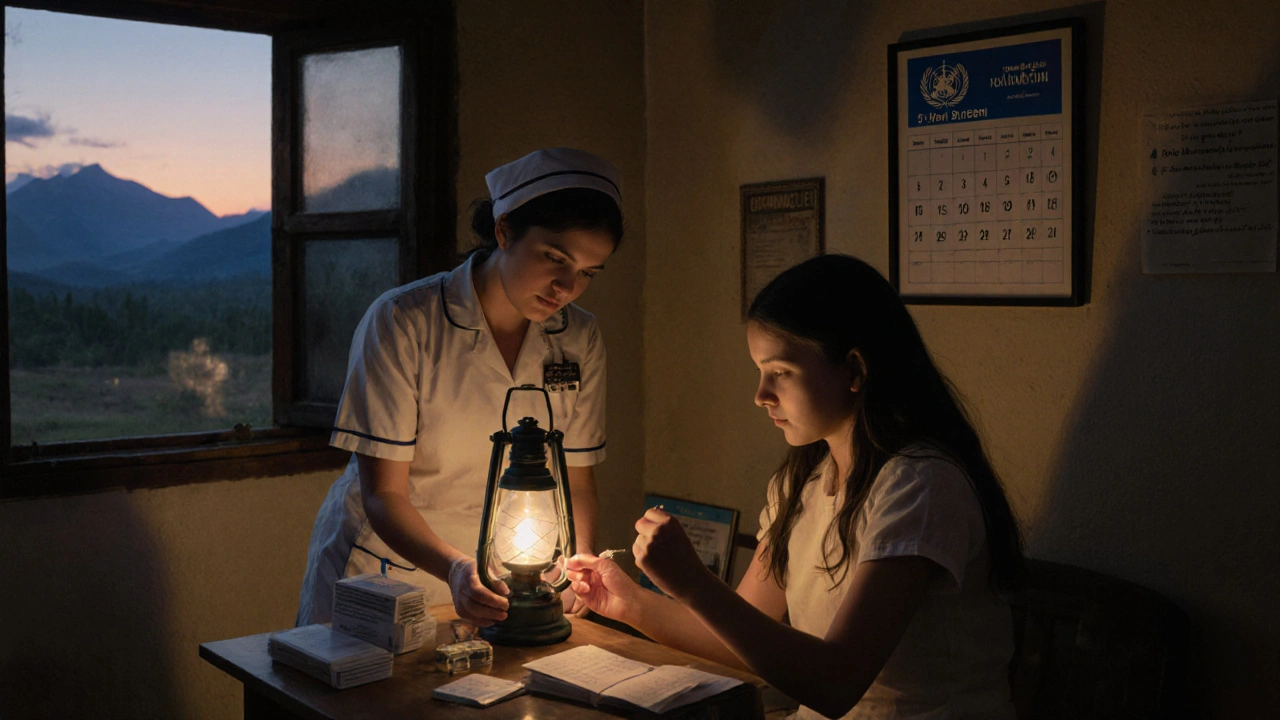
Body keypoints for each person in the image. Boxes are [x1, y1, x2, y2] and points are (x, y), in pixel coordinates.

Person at [568, 254, 1024, 719]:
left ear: (854, 371)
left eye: (780, 372)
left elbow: (835, 682)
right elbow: (740, 641)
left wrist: (693, 582)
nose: (761, 394)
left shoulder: (921, 484)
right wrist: (628, 603)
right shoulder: (803, 482)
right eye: (760, 372)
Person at [298, 147, 623, 629]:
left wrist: (578, 560)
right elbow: (383, 494)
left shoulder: (579, 337)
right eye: (554, 258)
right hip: (390, 571)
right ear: (504, 230)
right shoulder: (404, 321)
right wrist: (455, 567)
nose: (566, 287)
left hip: (508, 580)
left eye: (587, 273)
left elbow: (577, 479)